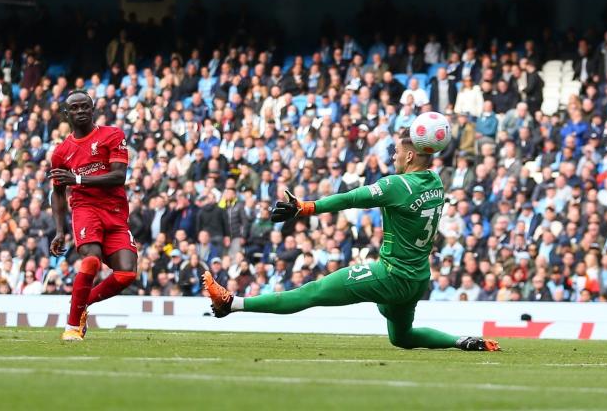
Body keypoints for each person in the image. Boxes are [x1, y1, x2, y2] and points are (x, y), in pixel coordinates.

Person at [202, 130, 501, 352]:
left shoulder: (396, 185)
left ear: (410, 156)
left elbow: (351, 198)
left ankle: (232, 303)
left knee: (313, 292)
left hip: (392, 275)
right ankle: (462, 341)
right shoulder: (436, 182)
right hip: (418, 278)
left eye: (397, 152)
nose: (393, 156)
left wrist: (306, 208)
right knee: (402, 338)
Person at [49, 90, 137, 341]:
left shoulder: (113, 134)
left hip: (116, 212)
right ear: (66, 114)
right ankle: (72, 327)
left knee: (127, 274)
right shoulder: (60, 152)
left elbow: (119, 176)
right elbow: (58, 193)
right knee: (91, 261)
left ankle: (80, 304)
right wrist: (59, 230)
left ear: (93, 108)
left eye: (84, 106)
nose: (80, 111)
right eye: (74, 108)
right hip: (85, 210)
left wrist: (77, 178)